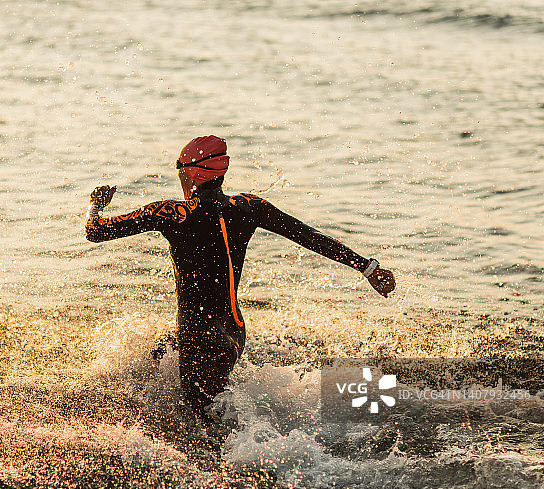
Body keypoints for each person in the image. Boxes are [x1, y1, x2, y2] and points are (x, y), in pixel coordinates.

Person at [85, 135, 395, 422]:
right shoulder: (249, 207)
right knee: (159, 355)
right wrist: (367, 268)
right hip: (234, 331)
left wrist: (95, 205)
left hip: (201, 338)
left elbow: (95, 231)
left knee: (204, 426)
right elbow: (308, 236)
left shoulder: (170, 213)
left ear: (191, 173)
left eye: (179, 169)